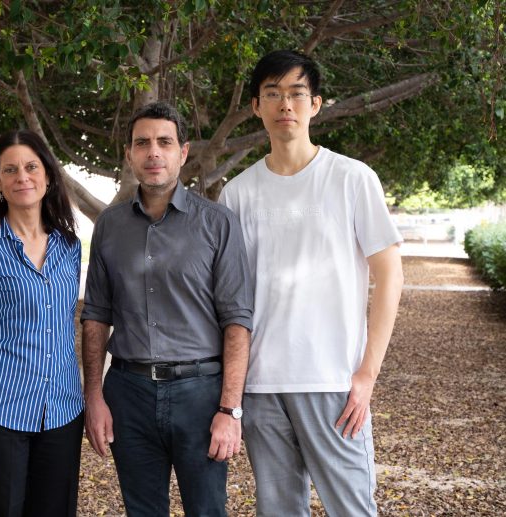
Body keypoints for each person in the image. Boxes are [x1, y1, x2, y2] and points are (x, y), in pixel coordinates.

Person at [219, 49, 404, 516]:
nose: (285, 104)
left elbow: (389, 274)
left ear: (315, 104)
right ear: (256, 106)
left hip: (333, 381)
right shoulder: (237, 194)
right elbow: (229, 296)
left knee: (352, 508)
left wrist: (366, 375)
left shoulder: (352, 178)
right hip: (261, 385)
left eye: (297, 94)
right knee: (278, 510)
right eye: (272, 94)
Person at [81, 101, 253, 516]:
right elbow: (96, 317)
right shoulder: (109, 225)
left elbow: (237, 321)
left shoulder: (218, 223)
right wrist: (94, 396)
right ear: (129, 154)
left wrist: (230, 409)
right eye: (142, 143)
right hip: (129, 393)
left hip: (201, 394)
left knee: (207, 510)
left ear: (183, 151)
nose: (153, 152)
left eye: (164, 142)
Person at [0, 130, 84, 517]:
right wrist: (2, 376)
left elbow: (64, 323)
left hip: (62, 409)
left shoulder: (70, 247)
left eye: (31, 167)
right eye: (10, 170)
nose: (22, 177)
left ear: (48, 176)